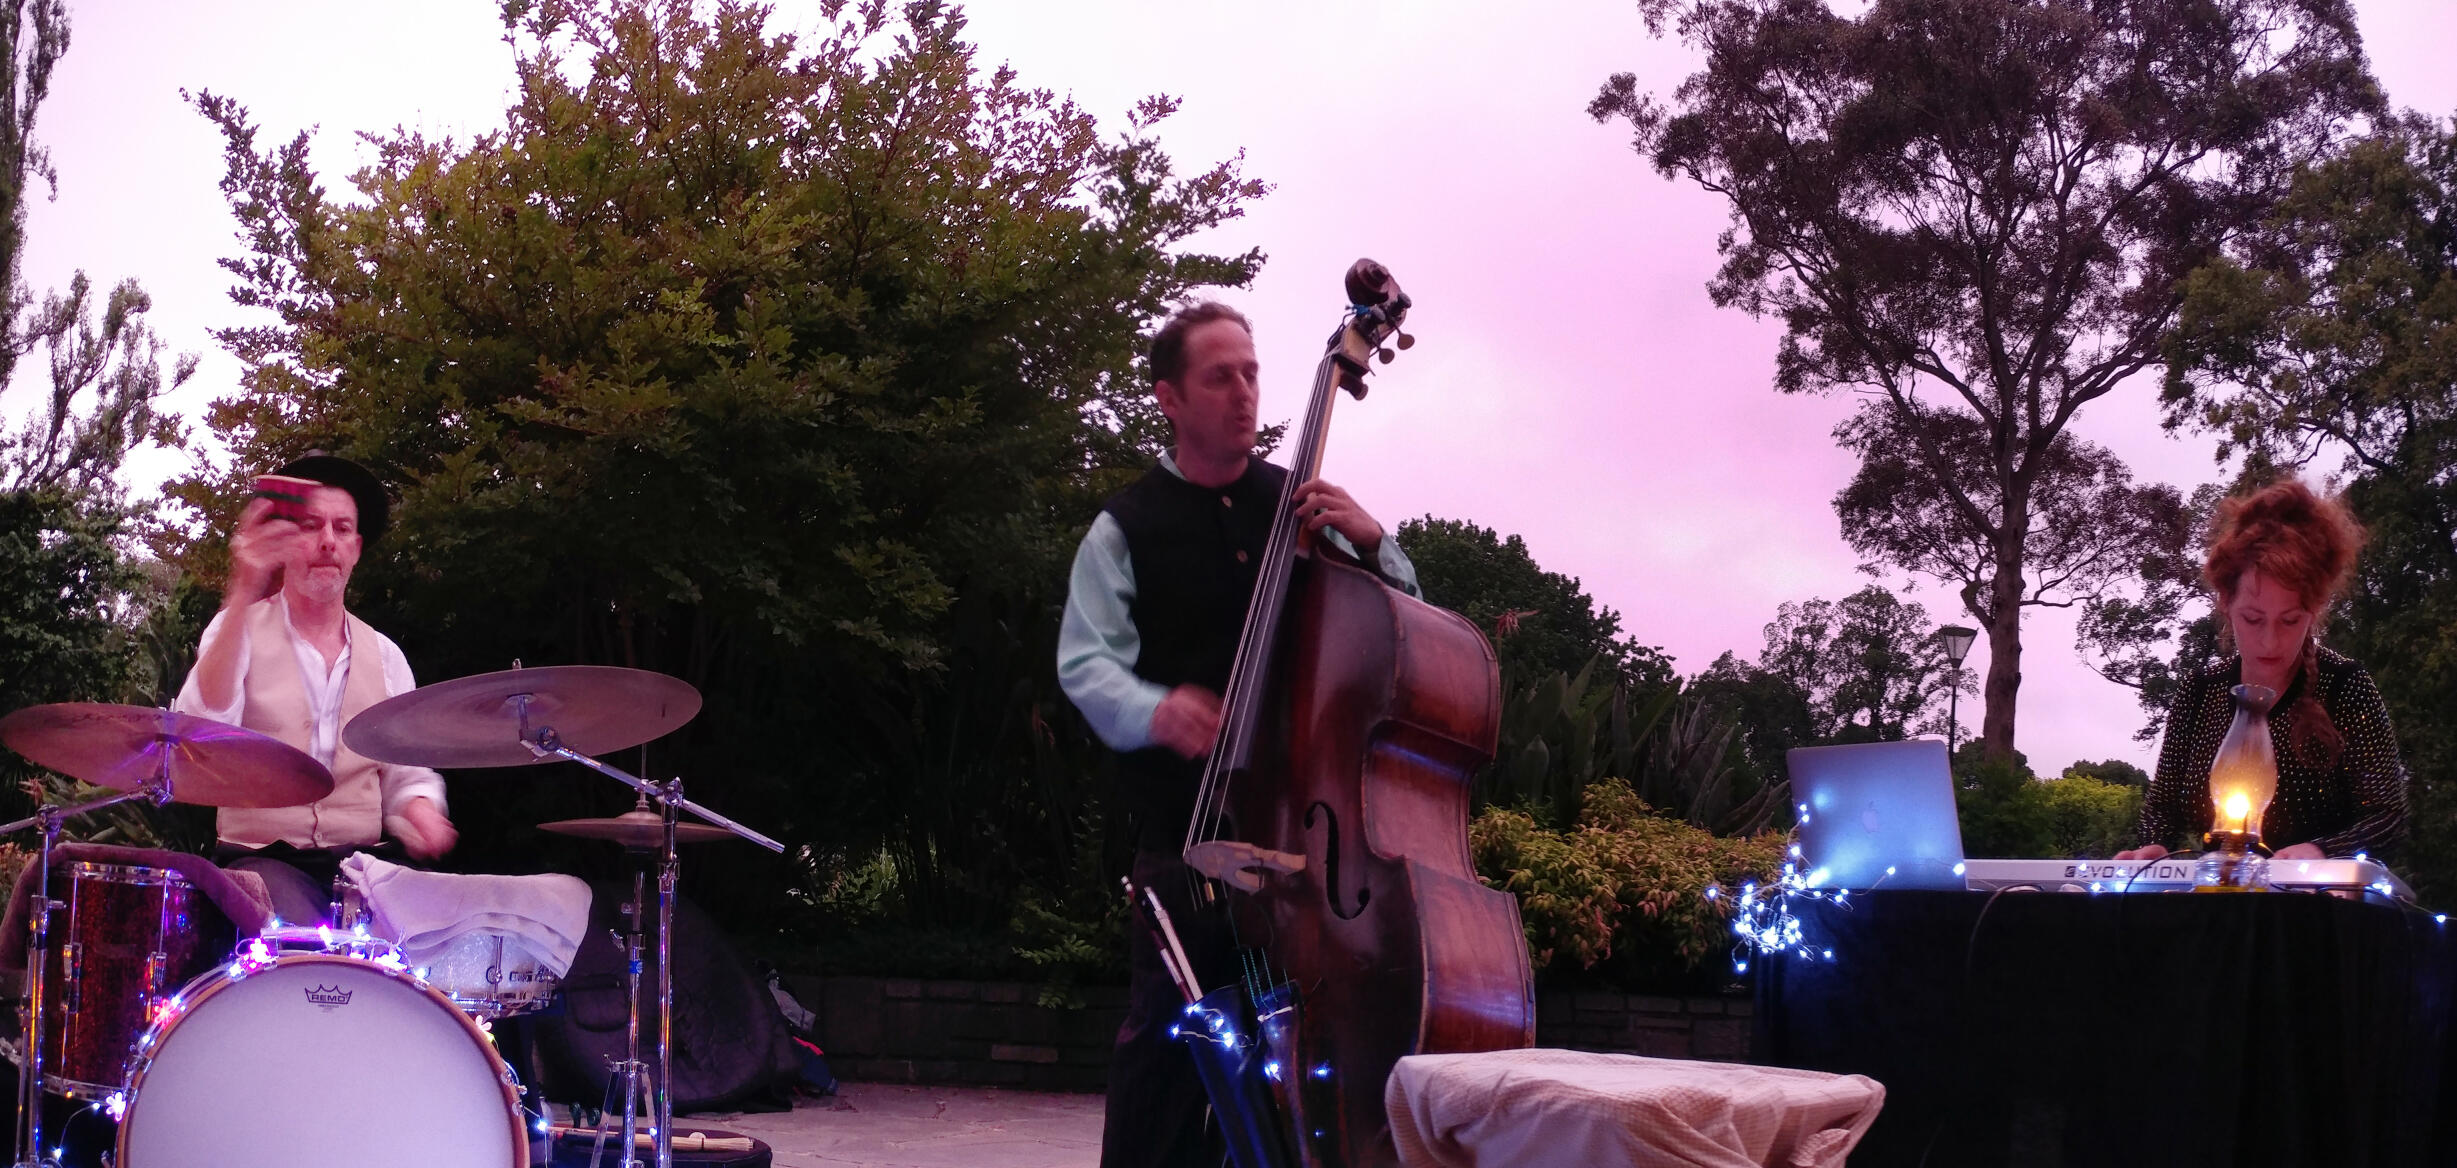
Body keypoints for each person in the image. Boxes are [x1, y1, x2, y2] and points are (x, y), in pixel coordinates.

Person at [1056, 302, 1421, 1167]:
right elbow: (1084, 664)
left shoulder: (1303, 508)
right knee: (1166, 1057)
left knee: (1308, 1073)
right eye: (1219, 377)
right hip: (1186, 839)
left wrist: (1376, 545)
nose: (1244, 392)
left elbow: (1403, 623)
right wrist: (1155, 708)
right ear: (1169, 398)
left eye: (1251, 373)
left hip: (1309, 851)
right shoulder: (1124, 527)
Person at [174, 454, 458, 925]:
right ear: (285, 542)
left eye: (342, 529)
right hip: (260, 864)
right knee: (304, 935)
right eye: (311, 526)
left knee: (439, 930)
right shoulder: (235, 630)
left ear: (356, 548)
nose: (328, 541)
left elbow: (404, 775)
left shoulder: (386, 656)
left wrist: (421, 810)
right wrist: (244, 589)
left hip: (364, 867)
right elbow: (201, 732)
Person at [2117, 480, 2407, 863]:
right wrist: (2154, 848)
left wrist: (2321, 852)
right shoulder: (2200, 692)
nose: (2270, 642)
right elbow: (2162, 808)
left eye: (2290, 620)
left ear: (2314, 610)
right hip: (2219, 892)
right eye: (2253, 619)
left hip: (2316, 897)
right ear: (2225, 602)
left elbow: (2387, 817)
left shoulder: (2345, 688)